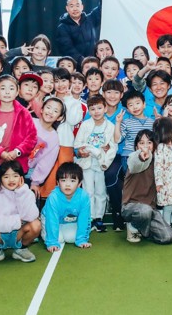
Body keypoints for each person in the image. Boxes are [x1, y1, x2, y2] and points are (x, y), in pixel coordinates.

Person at [0, 160, 42, 264]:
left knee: (36, 224)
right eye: (6, 176)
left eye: (15, 176)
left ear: (21, 177)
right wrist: (16, 221)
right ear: (1, 179)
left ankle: (21, 249)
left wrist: (21, 193)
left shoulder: (27, 193)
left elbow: (31, 216)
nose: (11, 180)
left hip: (19, 235)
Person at [73, 94, 116, 232]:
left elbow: (112, 146)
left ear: (105, 109)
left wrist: (105, 153)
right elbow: (77, 144)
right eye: (92, 109)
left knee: (101, 191)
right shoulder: (85, 125)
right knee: (88, 191)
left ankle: (99, 218)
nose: (96, 111)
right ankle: (89, 218)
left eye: (99, 108)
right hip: (87, 163)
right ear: (89, 111)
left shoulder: (110, 126)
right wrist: (84, 150)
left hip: (101, 163)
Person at [42, 162, 92, 251]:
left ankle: (61, 231)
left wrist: (82, 240)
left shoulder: (84, 196)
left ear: (79, 183)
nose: (68, 185)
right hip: (50, 219)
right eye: (63, 180)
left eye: (72, 181)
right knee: (58, 240)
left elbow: (84, 219)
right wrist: (52, 242)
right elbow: (52, 220)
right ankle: (45, 231)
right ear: (57, 182)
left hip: (68, 221)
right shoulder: (53, 197)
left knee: (71, 238)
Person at [28, 97, 64, 201]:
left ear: (59, 117)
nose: (51, 112)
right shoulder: (30, 121)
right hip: (14, 163)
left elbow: (46, 163)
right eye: (48, 107)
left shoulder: (54, 138)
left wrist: (35, 182)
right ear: (42, 109)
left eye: (56, 111)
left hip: (30, 171)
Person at [55, 0, 101, 65]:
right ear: (67, 8)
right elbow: (67, 49)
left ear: (82, 7)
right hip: (75, 66)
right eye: (72, 6)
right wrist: (83, 61)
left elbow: (101, 8)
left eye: (77, 5)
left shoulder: (90, 19)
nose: (75, 9)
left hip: (94, 63)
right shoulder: (62, 28)